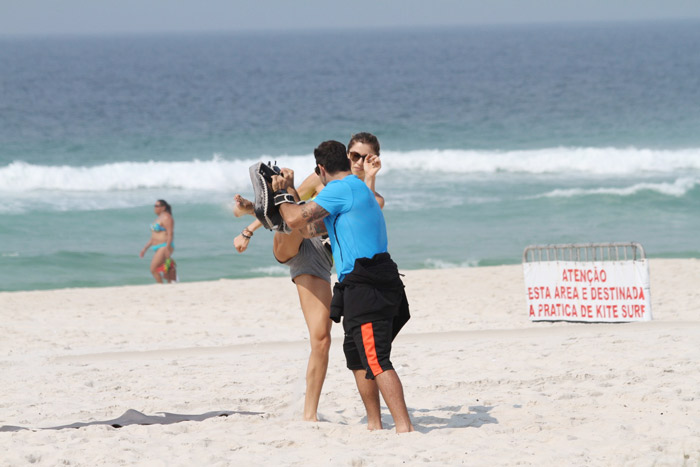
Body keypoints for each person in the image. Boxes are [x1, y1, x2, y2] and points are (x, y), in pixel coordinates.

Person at [231, 133, 385, 422]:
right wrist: (248, 229)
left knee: (322, 338)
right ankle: (263, 210)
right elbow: (294, 205)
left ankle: (308, 415)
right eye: (352, 155)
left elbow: (375, 206)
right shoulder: (322, 177)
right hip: (298, 242)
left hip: (321, 258)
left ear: (373, 160)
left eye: (363, 158)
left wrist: (370, 178)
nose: (356, 162)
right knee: (291, 214)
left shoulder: (364, 191)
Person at [271, 140, 414, 433]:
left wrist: (280, 194)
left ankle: (404, 428)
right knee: (357, 356)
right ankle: (375, 424)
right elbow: (308, 228)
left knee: (375, 359)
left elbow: (295, 217)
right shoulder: (355, 189)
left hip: (368, 281)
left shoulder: (340, 189)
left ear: (322, 169)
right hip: (358, 282)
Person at [139, 199, 176, 283]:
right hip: (157, 246)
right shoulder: (158, 218)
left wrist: (167, 247)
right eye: (154, 206)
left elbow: (170, 234)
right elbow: (153, 237)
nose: (155, 208)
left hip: (164, 245)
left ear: (163, 208)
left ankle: (161, 286)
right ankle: (171, 283)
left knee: (153, 269)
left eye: (157, 206)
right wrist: (145, 249)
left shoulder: (167, 217)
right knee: (165, 268)